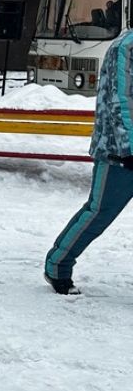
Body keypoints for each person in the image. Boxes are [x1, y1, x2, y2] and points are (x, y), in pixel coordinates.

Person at [44, 29, 133, 295]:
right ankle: (57, 266)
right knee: (99, 212)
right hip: (119, 152)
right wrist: (129, 147)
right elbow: (119, 100)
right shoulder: (125, 47)